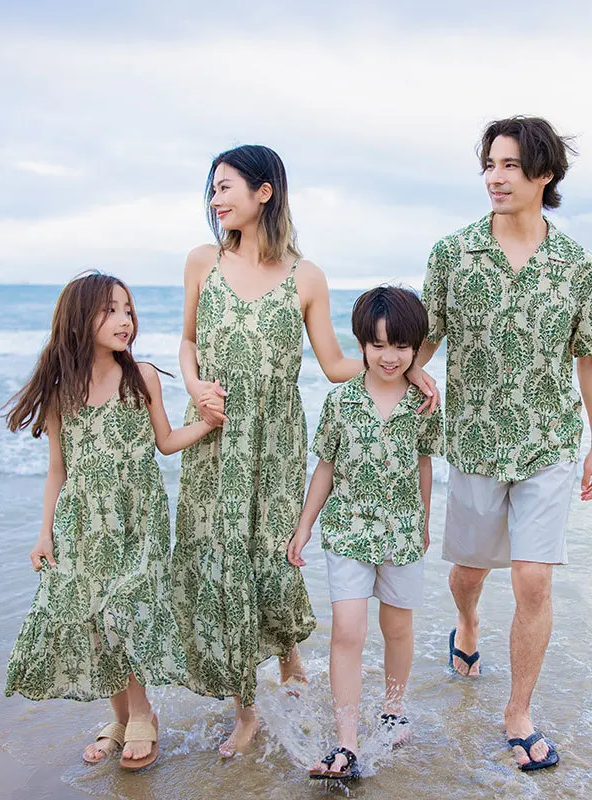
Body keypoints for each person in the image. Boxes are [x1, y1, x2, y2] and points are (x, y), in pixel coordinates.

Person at [174, 145, 438, 758]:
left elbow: (338, 364)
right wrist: (193, 386)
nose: (215, 199)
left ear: (264, 191)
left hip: (277, 442)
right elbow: (186, 342)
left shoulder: (305, 276)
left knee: (269, 561)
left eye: (226, 186)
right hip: (216, 434)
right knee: (219, 565)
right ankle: (245, 710)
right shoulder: (201, 261)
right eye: (212, 189)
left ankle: (290, 661)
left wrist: (407, 371)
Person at [417, 116, 592, 771]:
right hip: (472, 441)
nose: (495, 178)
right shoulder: (451, 253)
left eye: (510, 166)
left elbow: (590, 355)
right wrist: (406, 374)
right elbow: (426, 334)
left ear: (544, 174)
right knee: (468, 573)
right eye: (489, 165)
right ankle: (467, 625)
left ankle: (518, 713)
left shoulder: (578, 265)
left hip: (549, 443)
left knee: (533, 581)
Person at [4, 271, 220, 771]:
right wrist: (44, 534)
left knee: (126, 605)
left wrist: (206, 425)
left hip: (136, 517)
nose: (125, 320)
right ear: (81, 319)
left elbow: (164, 442)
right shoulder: (63, 390)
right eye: (111, 310)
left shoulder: (139, 376)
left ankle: (143, 714)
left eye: (128, 309)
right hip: (82, 525)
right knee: (96, 618)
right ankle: (120, 719)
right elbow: (58, 469)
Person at [288, 287, 445, 781]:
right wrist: (304, 525)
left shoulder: (424, 403)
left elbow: (424, 465)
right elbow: (325, 468)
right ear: (362, 344)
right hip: (347, 532)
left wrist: (422, 519)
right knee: (348, 631)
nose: (390, 356)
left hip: (400, 534)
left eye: (401, 346)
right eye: (378, 345)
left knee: (397, 628)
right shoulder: (340, 401)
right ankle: (346, 741)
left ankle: (394, 709)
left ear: (417, 347)